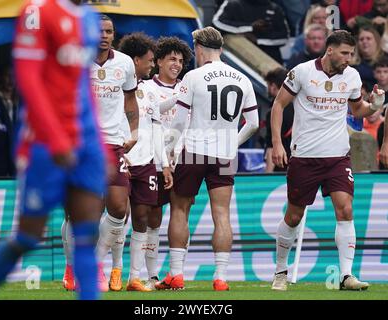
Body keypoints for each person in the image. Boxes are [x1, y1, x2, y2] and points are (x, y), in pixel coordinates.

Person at [0, 0, 106, 300]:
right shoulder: (37, 11)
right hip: (44, 144)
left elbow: (83, 86)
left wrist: (100, 146)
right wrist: (56, 139)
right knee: (29, 235)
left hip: (85, 143)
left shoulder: (90, 18)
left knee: (87, 234)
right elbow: (28, 80)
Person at [270, 30, 385, 291]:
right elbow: (278, 105)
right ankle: (280, 271)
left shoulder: (352, 76)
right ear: (330, 50)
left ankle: (346, 276)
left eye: (352, 54)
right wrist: (278, 143)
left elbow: (357, 111)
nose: (349, 58)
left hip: (337, 156)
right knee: (294, 215)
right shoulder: (301, 72)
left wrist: (374, 105)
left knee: (345, 209)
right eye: (345, 53)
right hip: (305, 156)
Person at [155, 26, 259, 291]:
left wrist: (170, 150)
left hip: (194, 150)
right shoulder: (242, 78)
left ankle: (176, 275)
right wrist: (232, 141)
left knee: (180, 209)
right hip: (224, 154)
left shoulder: (194, 77)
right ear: (221, 49)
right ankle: (220, 278)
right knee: (221, 214)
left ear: (199, 48)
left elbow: (179, 121)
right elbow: (254, 124)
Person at [60, 14, 139, 292]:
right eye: (99, 31)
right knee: (78, 211)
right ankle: (72, 268)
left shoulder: (125, 63)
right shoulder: (74, 60)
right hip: (81, 142)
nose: (104, 35)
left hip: (114, 143)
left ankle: (94, 264)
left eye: (109, 31)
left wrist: (135, 132)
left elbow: (130, 98)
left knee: (118, 207)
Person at [117, 32, 173, 291]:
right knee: (116, 216)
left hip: (147, 163)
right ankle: (106, 269)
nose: (152, 65)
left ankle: (134, 278)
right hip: (120, 158)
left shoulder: (150, 91)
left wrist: (163, 165)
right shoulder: (115, 89)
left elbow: (158, 129)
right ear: (135, 60)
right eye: (149, 61)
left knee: (142, 217)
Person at [144, 37, 192, 290]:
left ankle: (177, 273)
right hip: (154, 160)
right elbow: (153, 111)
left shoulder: (189, 86)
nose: (177, 64)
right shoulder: (146, 87)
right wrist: (179, 97)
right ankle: (151, 275)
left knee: (181, 215)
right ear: (159, 61)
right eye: (172, 59)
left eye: (181, 60)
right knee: (153, 217)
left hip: (184, 160)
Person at [212, 0, 289, 64]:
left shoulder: (275, 9)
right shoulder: (232, 3)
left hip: (267, 57)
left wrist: (258, 40)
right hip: (235, 57)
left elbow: (284, 37)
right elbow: (217, 22)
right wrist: (250, 27)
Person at [264, 67, 293, 173]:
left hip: (280, 166)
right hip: (299, 164)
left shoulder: (272, 113)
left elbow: (271, 146)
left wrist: (267, 175)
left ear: (273, 86)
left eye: (268, 85)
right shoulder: (299, 107)